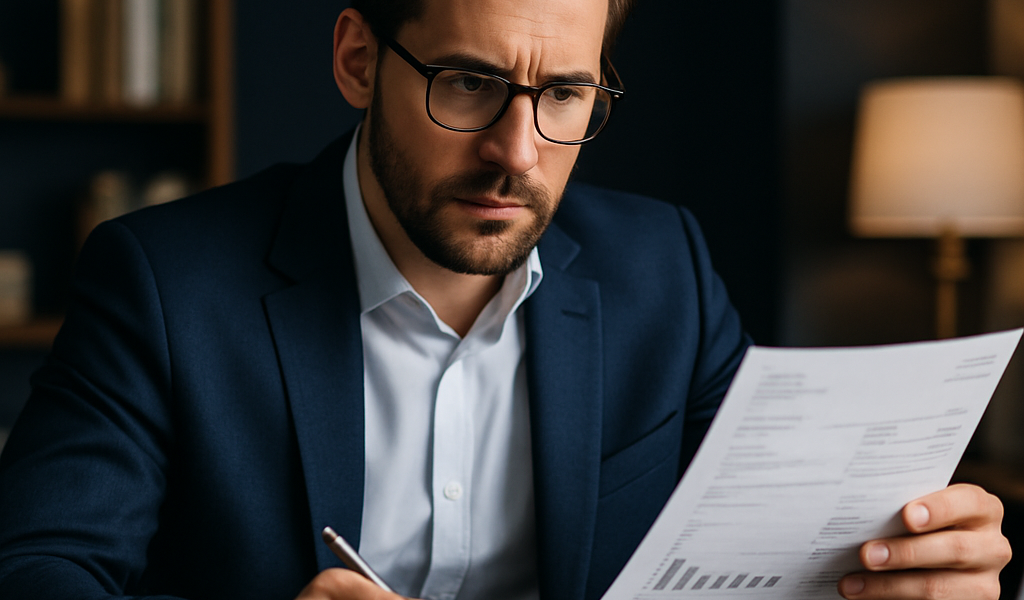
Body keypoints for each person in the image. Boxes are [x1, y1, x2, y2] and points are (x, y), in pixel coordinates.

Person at [0, 0, 1010, 598]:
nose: (516, 154)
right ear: (359, 61)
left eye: (564, 95)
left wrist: (910, 564)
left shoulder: (662, 267)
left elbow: (768, 544)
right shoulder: (162, 279)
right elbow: (36, 569)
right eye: (469, 83)